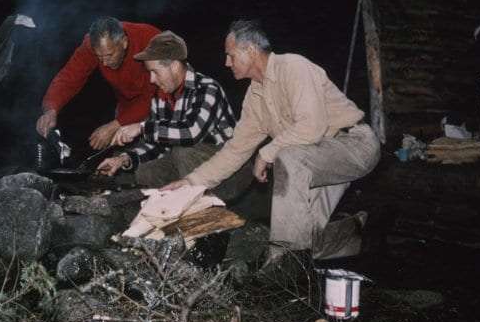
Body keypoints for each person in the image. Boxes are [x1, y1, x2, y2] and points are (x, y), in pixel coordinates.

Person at [163, 20, 381, 264]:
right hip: (315, 157)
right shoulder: (255, 96)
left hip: (354, 144)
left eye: (230, 55)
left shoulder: (294, 67)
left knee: (287, 158)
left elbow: (311, 126)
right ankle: (355, 231)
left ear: (251, 50)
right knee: (306, 240)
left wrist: (267, 152)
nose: (226, 63)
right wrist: (190, 182)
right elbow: (234, 151)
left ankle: (280, 263)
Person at [96, 30, 249, 197]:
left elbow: (190, 132)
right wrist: (123, 159)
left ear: (175, 66)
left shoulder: (207, 88)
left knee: (183, 151)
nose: (151, 79)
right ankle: (168, 210)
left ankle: (208, 207)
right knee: (147, 169)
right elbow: (158, 144)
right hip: (193, 170)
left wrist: (141, 127)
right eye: (149, 73)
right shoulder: (160, 97)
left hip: (231, 170)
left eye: (155, 72)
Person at [36, 17, 160, 149]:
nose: (104, 63)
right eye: (99, 57)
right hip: (127, 108)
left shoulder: (150, 39)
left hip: (163, 104)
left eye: (109, 55)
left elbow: (153, 96)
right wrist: (51, 109)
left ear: (124, 42)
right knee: (121, 157)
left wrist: (115, 125)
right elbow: (69, 77)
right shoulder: (92, 44)